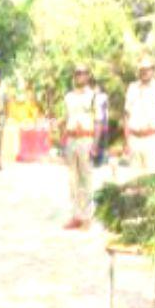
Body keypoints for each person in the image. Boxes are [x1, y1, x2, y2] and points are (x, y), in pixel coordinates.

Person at [123, 56, 155, 174]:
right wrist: (127, 141)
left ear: (153, 70)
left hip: (153, 140)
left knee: (153, 178)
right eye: (141, 69)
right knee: (135, 178)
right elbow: (126, 117)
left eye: (147, 69)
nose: (144, 72)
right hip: (135, 140)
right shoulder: (132, 88)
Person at [61, 63, 96, 230]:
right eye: (77, 73)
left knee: (86, 179)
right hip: (71, 139)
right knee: (72, 180)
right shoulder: (69, 96)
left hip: (86, 139)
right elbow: (66, 117)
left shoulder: (94, 95)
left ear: (88, 76)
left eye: (83, 73)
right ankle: (76, 216)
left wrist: (97, 143)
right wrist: (62, 139)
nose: (79, 76)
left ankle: (87, 217)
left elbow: (99, 120)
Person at [91, 76, 109, 167]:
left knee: (99, 141)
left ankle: (99, 160)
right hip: (93, 121)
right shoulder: (91, 95)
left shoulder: (102, 96)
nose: (95, 89)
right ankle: (93, 159)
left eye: (96, 87)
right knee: (93, 141)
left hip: (100, 121)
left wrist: (104, 123)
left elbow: (104, 109)